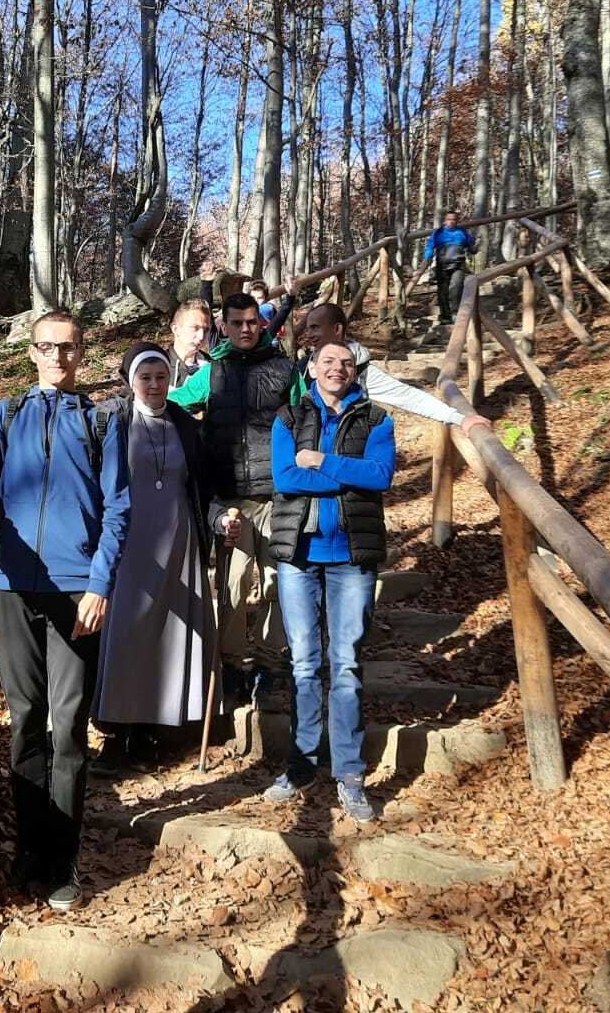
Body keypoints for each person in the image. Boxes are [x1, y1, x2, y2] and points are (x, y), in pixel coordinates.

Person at [0, 309, 129, 911]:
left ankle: (62, 858)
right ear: (33, 352)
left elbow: (120, 510)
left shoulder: (101, 421)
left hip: (77, 591)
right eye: (47, 347)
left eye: (68, 348)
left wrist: (100, 584)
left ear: (81, 353)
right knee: (26, 721)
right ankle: (29, 852)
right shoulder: (7, 413)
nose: (58, 358)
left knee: (68, 726)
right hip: (13, 586)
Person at [264, 342, 395, 822]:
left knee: (346, 665)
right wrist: (346, 476)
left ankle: (350, 772)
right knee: (303, 663)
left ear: (354, 370)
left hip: (352, 555)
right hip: (299, 554)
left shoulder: (376, 419)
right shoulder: (289, 417)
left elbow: (381, 476)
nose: (336, 369)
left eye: (345, 363)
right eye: (327, 362)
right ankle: (300, 764)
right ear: (312, 369)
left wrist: (320, 462)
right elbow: (284, 478)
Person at [168, 292, 306, 707]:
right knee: (230, 587)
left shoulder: (285, 369)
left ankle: (269, 665)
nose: (246, 328)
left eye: (252, 321)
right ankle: (229, 668)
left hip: (278, 495)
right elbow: (169, 404)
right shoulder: (212, 374)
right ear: (223, 326)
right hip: (229, 499)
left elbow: (308, 419)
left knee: (276, 583)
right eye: (236, 322)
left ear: (261, 323)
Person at [92, 343, 218, 770]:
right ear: (131, 382)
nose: (154, 385)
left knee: (169, 632)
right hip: (128, 540)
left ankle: (158, 729)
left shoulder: (185, 424)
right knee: (127, 631)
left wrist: (217, 523)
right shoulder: (113, 420)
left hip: (177, 539)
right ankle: (118, 729)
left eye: (161, 377)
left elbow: (201, 483)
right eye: (145, 378)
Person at [296, 301, 490, 436]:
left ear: (337, 329)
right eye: (308, 328)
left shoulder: (359, 372)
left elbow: (407, 396)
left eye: (315, 328)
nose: (309, 334)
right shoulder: (305, 366)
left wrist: (459, 418)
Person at [422, 212, 477, 324]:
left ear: (457, 221)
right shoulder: (438, 233)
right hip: (442, 264)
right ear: (445, 220)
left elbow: (471, 246)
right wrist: (427, 257)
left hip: (458, 264)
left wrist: (474, 248)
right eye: (449, 219)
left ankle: (455, 313)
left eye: (454, 219)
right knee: (443, 291)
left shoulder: (462, 233)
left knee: (456, 288)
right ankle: (445, 316)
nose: (451, 221)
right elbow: (430, 246)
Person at [168, 299, 213, 388]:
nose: (201, 336)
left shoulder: (211, 365)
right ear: (175, 329)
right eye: (195, 328)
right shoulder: (160, 366)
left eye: (206, 330)